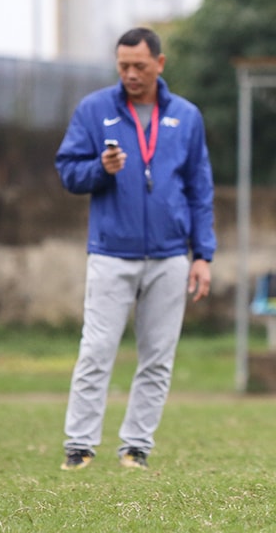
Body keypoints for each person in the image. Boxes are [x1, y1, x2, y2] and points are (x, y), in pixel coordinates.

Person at [54, 26, 216, 471]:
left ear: (159, 64)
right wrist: (99, 170)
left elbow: (199, 189)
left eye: (139, 66)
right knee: (96, 349)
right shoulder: (93, 110)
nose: (130, 74)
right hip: (110, 252)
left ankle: (136, 447)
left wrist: (202, 254)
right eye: (123, 66)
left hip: (169, 256)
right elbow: (68, 171)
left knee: (158, 357)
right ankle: (80, 445)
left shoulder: (186, 116)